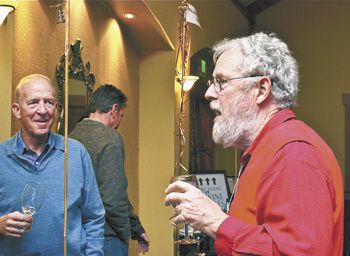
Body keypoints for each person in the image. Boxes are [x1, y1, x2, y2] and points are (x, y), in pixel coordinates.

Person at [164, 32, 344, 255]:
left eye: (221, 82)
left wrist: (216, 222)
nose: (209, 93)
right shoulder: (266, 148)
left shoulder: (293, 154)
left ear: (261, 90)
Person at [0, 74, 105, 255]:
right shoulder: (1, 156)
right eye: (33, 102)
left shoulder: (76, 153)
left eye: (49, 102)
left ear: (56, 108)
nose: (42, 110)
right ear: (17, 110)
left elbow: (94, 217)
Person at [70, 84, 150, 256]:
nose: (119, 122)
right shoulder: (110, 138)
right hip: (106, 237)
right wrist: (125, 233)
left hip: (77, 234)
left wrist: (136, 227)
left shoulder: (71, 137)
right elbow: (113, 196)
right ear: (114, 110)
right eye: (121, 116)